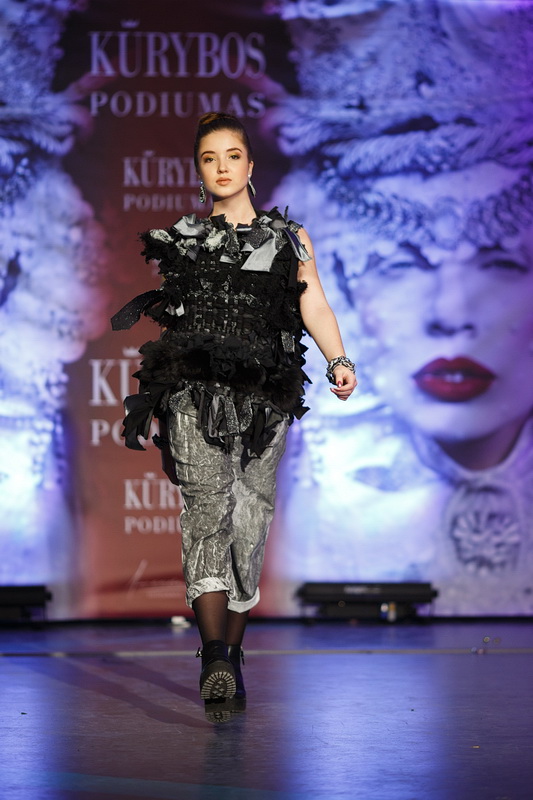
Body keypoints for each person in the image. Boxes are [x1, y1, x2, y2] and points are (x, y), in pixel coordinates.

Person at [112, 111, 357, 721]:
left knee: (250, 519)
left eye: (232, 156)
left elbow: (313, 303)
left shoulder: (289, 237)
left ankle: (231, 654)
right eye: (209, 158)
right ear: (199, 172)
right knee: (207, 514)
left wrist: (338, 359)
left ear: (250, 165)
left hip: (266, 399)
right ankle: (215, 654)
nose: (221, 167)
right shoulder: (184, 239)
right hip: (194, 394)